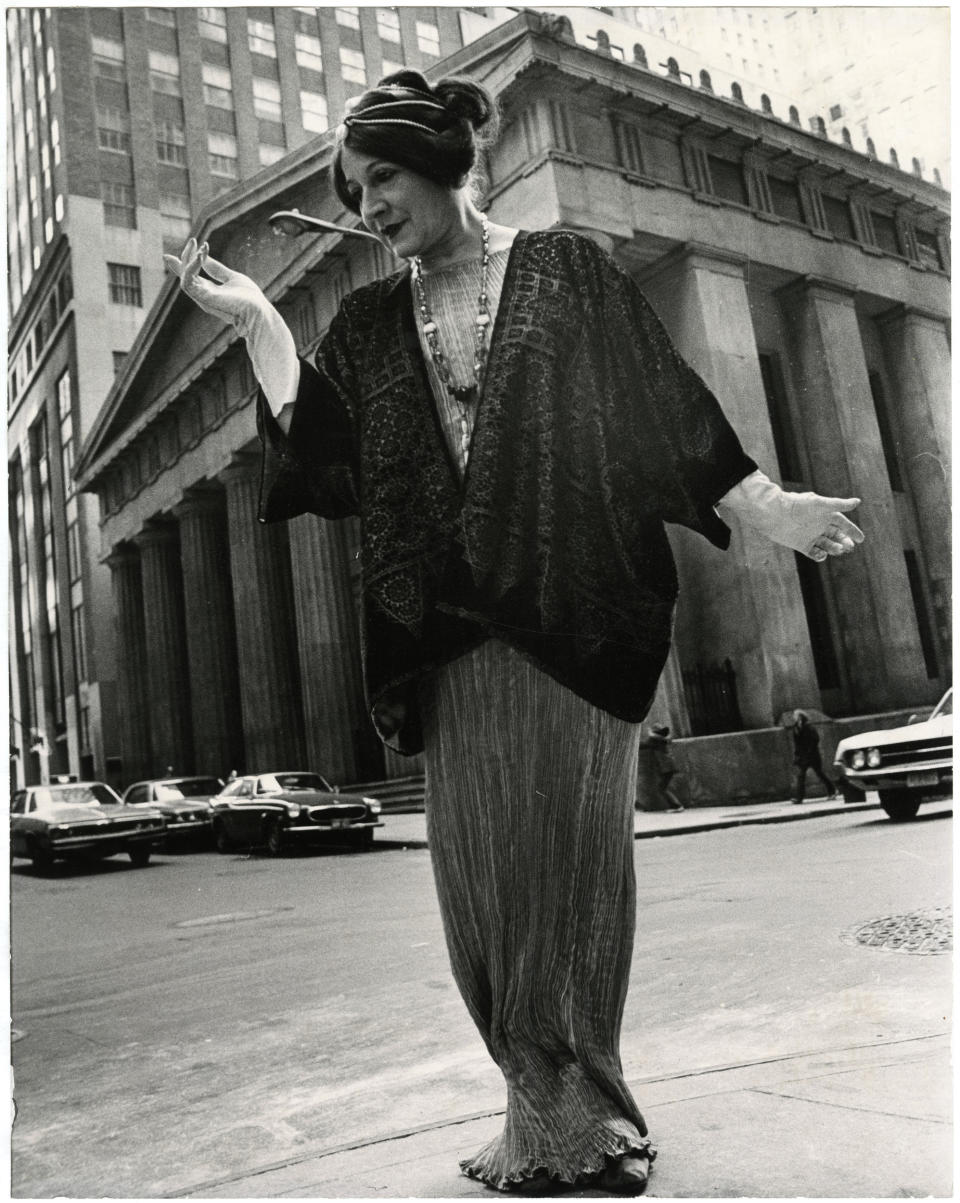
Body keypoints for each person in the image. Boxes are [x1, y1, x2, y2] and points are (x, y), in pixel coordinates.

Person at [165, 69, 864, 1195]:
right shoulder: (369, 317)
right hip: (451, 643)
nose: (369, 208)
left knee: (570, 880)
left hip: (577, 623)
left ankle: (582, 1120)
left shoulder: (565, 272)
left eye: (380, 178)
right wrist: (254, 319)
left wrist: (769, 510)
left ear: (440, 160)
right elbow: (323, 447)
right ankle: (539, 1107)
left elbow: (661, 408)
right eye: (352, 194)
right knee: (482, 890)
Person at [790, 710, 837, 804]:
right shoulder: (796, 728)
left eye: (795, 715)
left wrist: (809, 751)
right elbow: (797, 743)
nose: (793, 717)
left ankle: (832, 790)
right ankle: (799, 797)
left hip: (812, 755)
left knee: (820, 773)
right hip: (804, 756)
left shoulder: (808, 727)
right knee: (801, 776)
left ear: (800, 716)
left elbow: (815, 739)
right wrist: (797, 755)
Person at [646, 724, 685, 812]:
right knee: (663, 787)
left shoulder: (655, 741)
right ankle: (676, 806)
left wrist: (650, 733)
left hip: (666, 768)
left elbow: (644, 744)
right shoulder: (663, 740)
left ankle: (677, 806)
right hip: (669, 767)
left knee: (662, 788)